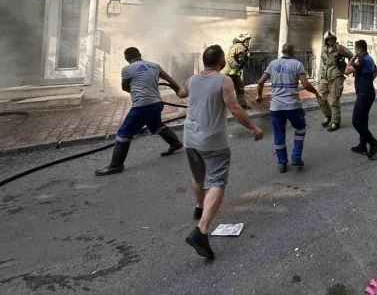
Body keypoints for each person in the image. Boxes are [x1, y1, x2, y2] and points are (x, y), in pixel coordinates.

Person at [178, 45, 263, 259]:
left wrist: (175, 82)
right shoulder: (223, 80)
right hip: (213, 141)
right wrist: (253, 128)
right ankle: (201, 229)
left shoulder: (192, 79)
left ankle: (199, 206)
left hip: (190, 139)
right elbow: (234, 109)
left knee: (198, 176)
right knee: (216, 181)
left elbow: (181, 93)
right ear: (220, 61)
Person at [95, 47, 184, 176]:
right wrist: (178, 90)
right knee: (156, 125)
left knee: (124, 132)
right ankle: (176, 144)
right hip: (157, 103)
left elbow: (125, 87)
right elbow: (170, 80)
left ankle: (116, 165)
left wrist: (137, 90)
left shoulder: (127, 69)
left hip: (142, 105)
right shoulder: (154, 65)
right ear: (140, 55)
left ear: (126, 59)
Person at [257, 43, 323, 173]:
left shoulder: (272, 64)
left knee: (279, 133)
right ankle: (296, 157)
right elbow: (305, 84)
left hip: (276, 106)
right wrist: (316, 93)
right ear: (292, 52)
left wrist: (259, 96)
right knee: (300, 128)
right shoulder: (297, 64)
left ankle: (282, 163)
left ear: (282, 52)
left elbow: (260, 82)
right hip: (293, 105)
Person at [344, 40, 377, 159]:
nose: (354, 51)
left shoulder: (362, 60)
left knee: (356, 121)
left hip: (364, 94)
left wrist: (353, 57)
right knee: (363, 120)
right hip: (369, 92)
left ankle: (374, 143)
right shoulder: (369, 59)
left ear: (359, 50)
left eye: (355, 49)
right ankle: (362, 145)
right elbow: (376, 71)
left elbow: (347, 71)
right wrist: (368, 81)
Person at [319, 31, 353, 132]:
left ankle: (336, 122)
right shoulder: (324, 50)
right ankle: (328, 116)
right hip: (325, 77)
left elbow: (351, 55)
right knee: (320, 98)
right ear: (326, 40)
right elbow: (324, 63)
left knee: (334, 101)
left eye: (333, 38)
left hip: (336, 77)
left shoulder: (340, 48)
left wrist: (346, 67)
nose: (331, 40)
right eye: (329, 39)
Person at [221, 33, 252, 108]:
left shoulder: (243, 48)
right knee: (224, 89)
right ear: (242, 40)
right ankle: (221, 105)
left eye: (248, 40)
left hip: (234, 73)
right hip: (227, 73)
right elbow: (229, 58)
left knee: (240, 87)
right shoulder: (238, 46)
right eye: (246, 40)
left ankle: (242, 105)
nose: (247, 42)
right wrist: (237, 66)